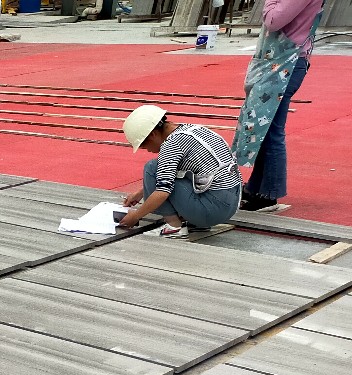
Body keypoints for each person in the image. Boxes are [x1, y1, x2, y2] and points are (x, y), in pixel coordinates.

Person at [233, 0, 324, 211]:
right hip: (278, 61)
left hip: (286, 63)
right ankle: (256, 187)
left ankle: (269, 193)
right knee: (262, 130)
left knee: (271, 130)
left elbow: (274, 20)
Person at [118, 105, 243, 237]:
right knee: (166, 171)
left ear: (153, 134)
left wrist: (136, 215)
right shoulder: (191, 130)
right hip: (229, 206)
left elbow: (162, 191)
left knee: (152, 167)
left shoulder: (171, 145)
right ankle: (198, 224)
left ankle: (174, 226)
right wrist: (140, 193)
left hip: (210, 211)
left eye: (144, 146)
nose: (148, 150)